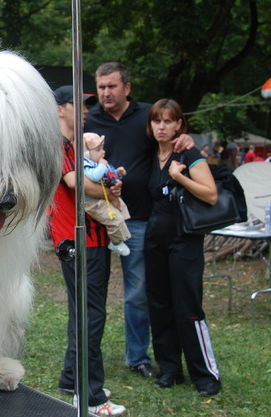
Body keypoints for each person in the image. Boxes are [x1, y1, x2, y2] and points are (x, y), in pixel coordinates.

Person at [85, 62, 193, 380]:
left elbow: (172, 136)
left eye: (112, 86)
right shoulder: (89, 120)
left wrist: (185, 140)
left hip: (138, 219)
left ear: (127, 88)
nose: (106, 92)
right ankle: (90, 357)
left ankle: (137, 356)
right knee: (94, 292)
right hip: (95, 218)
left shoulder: (147, 116)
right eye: (101, 87)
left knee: (136, 293)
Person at [48, 85, 127, 417]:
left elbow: (90, 181)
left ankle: (71, 380)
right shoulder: (59, 145)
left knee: (81, 311)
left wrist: (109, 185)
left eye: (85, 106)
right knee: (90, 316)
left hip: (84, 237)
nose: (83, 111)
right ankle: (91, 396)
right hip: (81, 239)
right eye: (75, 105)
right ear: (58, 110)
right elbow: (74, 183)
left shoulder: (73, 145)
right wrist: (108, 187)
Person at [145, 98, 221, 397]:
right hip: (155, 240)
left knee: (187, 307)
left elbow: (211, 194)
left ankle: (205, 375)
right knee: (159, 305)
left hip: (185, 240)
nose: (161, 126)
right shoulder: (151, 154)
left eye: (167, 121)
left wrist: (179, 176)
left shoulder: (187, 153)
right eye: (156, 121)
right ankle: (170, 369)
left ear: (179, 124)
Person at [82, 132, 131, 256]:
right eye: (98, 150)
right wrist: (102, 166)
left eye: (102, 148)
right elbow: (94, 176)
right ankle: (115, 242)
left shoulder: (98, 164)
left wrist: (118, 173)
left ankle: (120, 229)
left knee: (122, 208)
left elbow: (109, 175)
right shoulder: (86, 164)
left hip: (103, 197)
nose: (103, 152)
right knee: (114, 219)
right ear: (87, 153)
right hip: (93, 202)